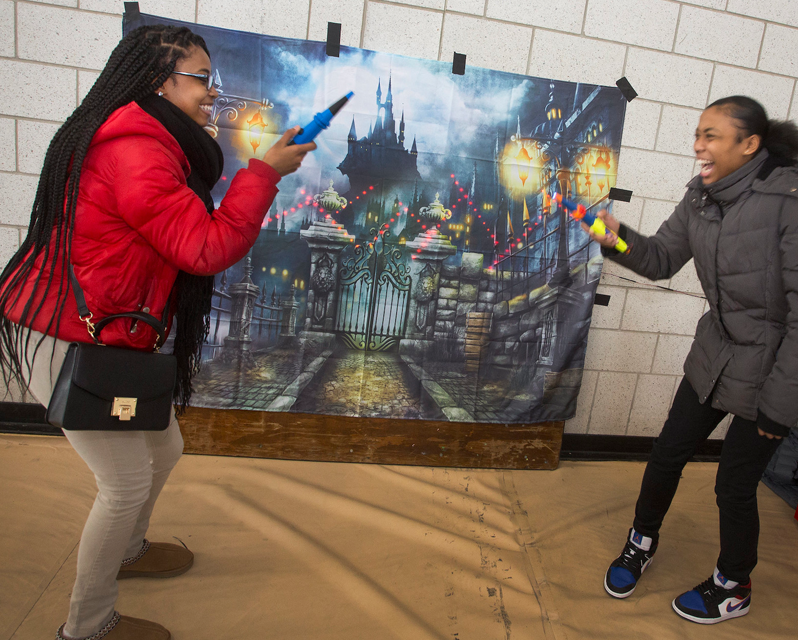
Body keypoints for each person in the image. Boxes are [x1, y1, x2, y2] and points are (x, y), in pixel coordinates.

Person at [0, 25, 315, 640]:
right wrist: (264, 174)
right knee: (123, 484)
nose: (211, 94)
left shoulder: (149, 136)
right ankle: (86, 625)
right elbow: (204, 245)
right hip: (71, 337)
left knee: (163, 449)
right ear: (159, 80)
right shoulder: (136, 147)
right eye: (201, 79)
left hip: (110, 335)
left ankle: (128, 550)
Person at [590, 96, 798, 624]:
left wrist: (779, 408)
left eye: (712, 135)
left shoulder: (789, 202)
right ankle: (641, 541)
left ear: (749, 145)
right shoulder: (701, 197)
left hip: (771, 370)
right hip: (714, 353)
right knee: (667, 452)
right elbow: (660, 258)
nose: (698, 145)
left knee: (733, 482)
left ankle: (734, 585)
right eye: (697, 134)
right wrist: (603, 231)